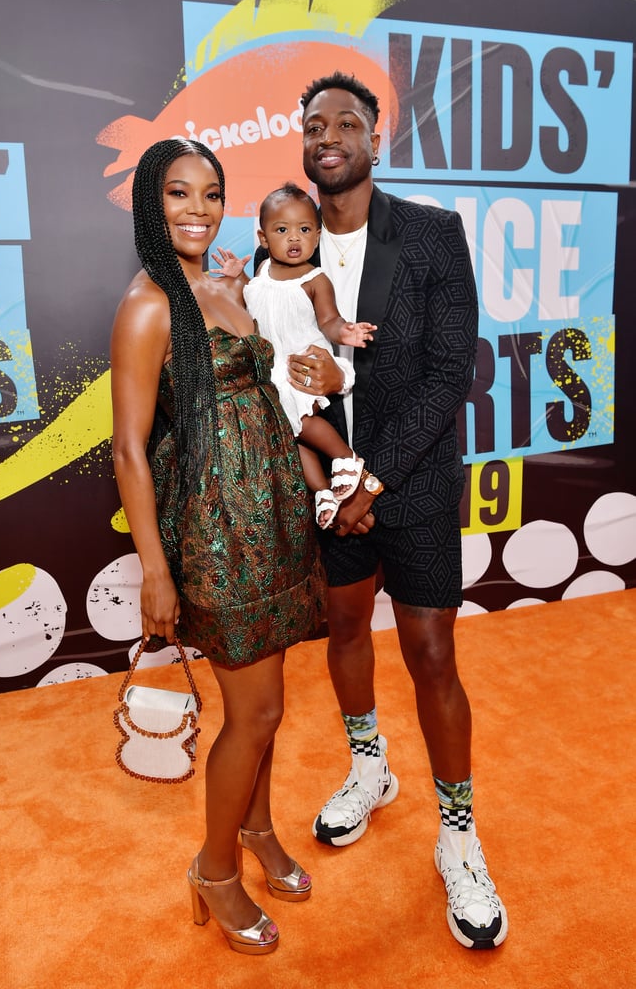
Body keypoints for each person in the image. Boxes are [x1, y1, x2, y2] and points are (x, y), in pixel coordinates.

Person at [283, 72, 508, 950]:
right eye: (313, 125)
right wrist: (325, 486)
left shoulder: (430, 235)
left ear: (375, 141)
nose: (328, 135)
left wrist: (368, 484)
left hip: (407, 488)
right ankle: (368, 771)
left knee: (429, 655)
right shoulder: (281, 250)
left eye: (346, 123)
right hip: (322, 492)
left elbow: (448, 373)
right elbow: (270, 377)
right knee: (343, 635)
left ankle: (458, 835)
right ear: (302, 146)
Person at [110, 138, 326, 956]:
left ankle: (258, 831)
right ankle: (213, 869)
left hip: (268, 515)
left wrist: (231, 288)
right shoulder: (146, 304)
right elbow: (131, 449)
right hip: (213, 530)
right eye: (177, 193)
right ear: (148, 203)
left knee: (263, 708)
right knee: (258, 709)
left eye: (210, 193)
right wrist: (156, 570)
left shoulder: (215, 282)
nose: (196, 209)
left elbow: (247, 387)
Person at [214, 182, 376, 529]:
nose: (293, 238)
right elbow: (255, 299)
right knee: (290, 433)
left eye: (304, 230)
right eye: (282, 230)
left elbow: (329, 320)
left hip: (301, 366)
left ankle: (345, 458)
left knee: (301, 423)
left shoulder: (316, 279)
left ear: (316, 237)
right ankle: (321, 491)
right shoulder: (262, 273)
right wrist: (237, 277)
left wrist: (345, 331)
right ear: (263, 237)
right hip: (272, 372)